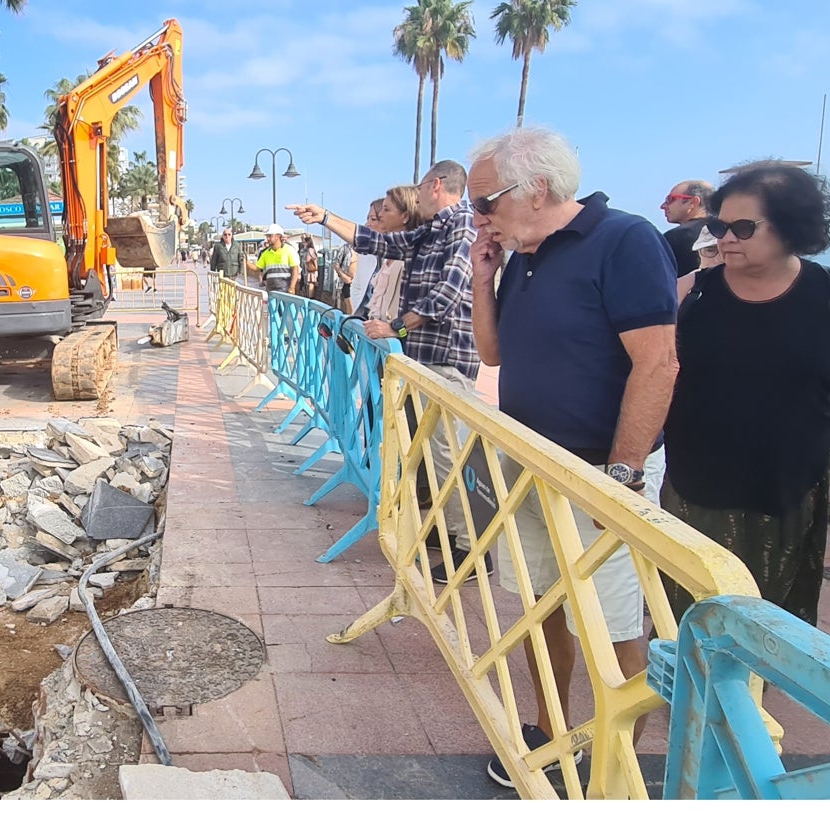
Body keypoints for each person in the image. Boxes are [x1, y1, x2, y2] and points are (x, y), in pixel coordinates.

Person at [466, 127, 678, 787]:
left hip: (600, 473)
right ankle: (551, 729)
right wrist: (483, 278)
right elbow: (494, 354)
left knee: (614, 625)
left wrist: (621, 477)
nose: (480, 217)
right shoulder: (522, 254)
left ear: (537, 188)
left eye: (486, 201)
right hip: (530, 464)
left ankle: (616, 767)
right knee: (538, 606)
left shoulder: (625, 240)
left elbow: (658, 363)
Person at [288, 160, 484, 583]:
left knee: (448, 454)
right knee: (430, 454)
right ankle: (450, 534)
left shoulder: (462, 226)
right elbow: (375, 242)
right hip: (424, 358)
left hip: (447, 357)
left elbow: (448, 293)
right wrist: (324, 217)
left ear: (435, 185)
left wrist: (396, 326)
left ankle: (471, 547)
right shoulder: (432, 230)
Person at [662, 162, 830, 628]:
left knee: (765, 631)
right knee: (687, 624)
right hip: (696, 492)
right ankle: (689, 702)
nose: (726, 238)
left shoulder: (824, 296)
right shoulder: (690, 294)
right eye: (719, 225)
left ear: (791, 227)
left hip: (787, 497)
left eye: (743, 227)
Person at [355, 185, 422, 322]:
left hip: (393, 338)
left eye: (386, 210)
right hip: (380, 336)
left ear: (405, 216)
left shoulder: (410, 255)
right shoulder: (388, 256)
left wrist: (396, 331)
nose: (381, 215)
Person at [660, 179, 713, 276]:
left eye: (670, 199)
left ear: (693, 202)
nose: (663, 206)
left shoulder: (676, 237)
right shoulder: (724, 232)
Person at [350, 199, 385, 313]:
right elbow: (357, 286)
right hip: (366, 322)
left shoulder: (401, 255)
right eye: (367, 218)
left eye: (373, 219)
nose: (367, 224)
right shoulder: (365, 254)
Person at [247, 223, 300, 293]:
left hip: (285, 290)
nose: (268, 239)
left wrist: (292, 287)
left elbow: (295, 269)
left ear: (278, 236)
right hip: (271, 291)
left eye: (270, 236)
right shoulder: (266, 253)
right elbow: (257, 268)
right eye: (267, 236)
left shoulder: (289, 250)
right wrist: (246, 262)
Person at [676, 224, 724, 300]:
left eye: (727, 251)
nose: (720, 259)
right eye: (710, 250)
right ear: (699, 253)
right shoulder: (681, 287)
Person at [331, 238, 358, 312]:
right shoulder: (345, 248)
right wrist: (343, 276)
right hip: (347, 282)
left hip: (359, 284)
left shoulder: (364, 251)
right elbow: (336, 265)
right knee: (351, 308)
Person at [299, 234, 320, 298]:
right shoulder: (313, 249)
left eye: (305, 242)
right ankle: (310, 295)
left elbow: (308, 259)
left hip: (311, 269)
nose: (304, 244)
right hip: (313, 269)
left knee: (311, 283)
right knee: (311, 283)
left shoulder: (310, 250)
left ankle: (310, 296)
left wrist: (305, 259)